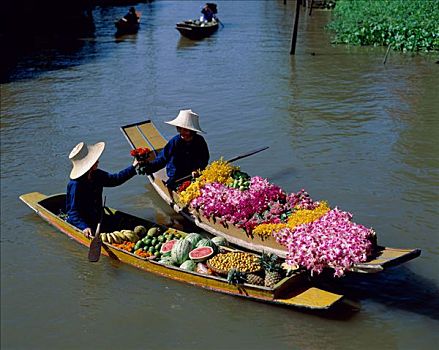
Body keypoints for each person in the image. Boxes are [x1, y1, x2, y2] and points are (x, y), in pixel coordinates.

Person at [66, 141, 141, 238]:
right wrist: (84, 227)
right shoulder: (75, 184)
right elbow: (73, 212)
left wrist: (133, 166)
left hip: (98, 217)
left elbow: (115, 179)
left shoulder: (96, 174)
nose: (97, 161)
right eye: (95, 161)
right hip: (83, 222)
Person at [144, 109, 210, 190]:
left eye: (185, 130)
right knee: (172, 186)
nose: (182, 132)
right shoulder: (175, 142)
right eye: (179, 129)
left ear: (192, 131)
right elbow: (162, 159)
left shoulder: (200, 141)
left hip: (193, 172)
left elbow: (204, 158)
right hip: (176, 174)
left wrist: (197, 169)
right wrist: (148, 168)